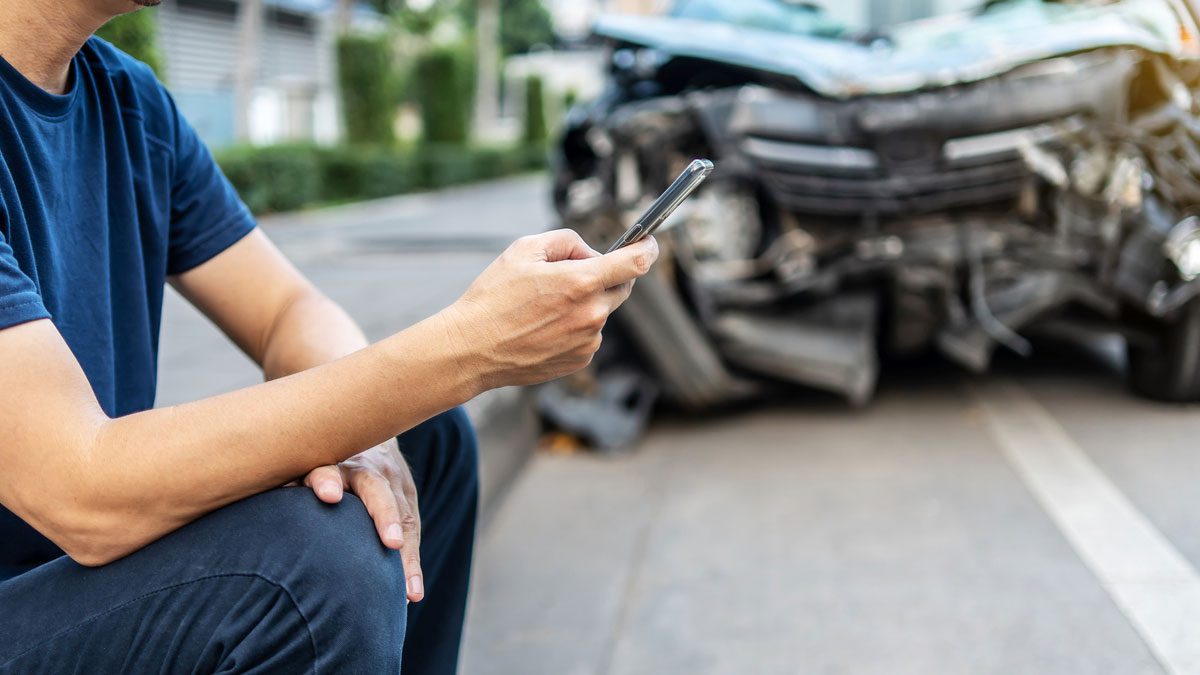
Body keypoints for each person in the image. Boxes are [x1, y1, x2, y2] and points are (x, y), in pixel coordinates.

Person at [0, 0, 660, 672]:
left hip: (70, 582)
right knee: (312, 571)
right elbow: (79, 488)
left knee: (424, 441)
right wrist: (469, 351)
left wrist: (365, 433)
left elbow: (287, 309)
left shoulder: (127, 100)